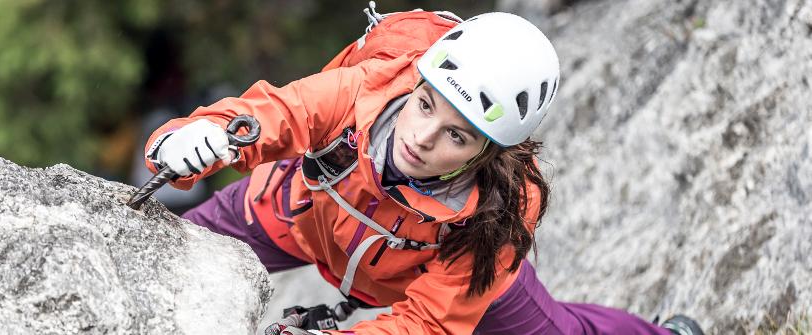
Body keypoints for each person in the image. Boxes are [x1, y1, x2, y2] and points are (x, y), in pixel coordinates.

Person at [143, 5, 703, 335]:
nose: (419, 137)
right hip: (294, 212)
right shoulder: (368, 89)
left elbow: (426, 326)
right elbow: (278, 113)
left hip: (432, 273)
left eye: (455, 136)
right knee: (161, 253)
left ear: (488, 154)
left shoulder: (496, 216)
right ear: (416, 84)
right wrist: (197, 137)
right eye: (426, 104)